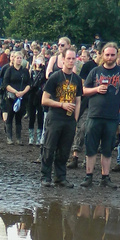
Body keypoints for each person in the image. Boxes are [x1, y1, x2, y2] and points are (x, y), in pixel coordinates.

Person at [81, 42, 120, 189]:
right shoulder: (95, 71)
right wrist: (96, 89)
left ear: (117, 55)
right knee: (91, 147)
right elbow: (83, 90)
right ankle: (88, 176)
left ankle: (105, 177)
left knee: (107, 148)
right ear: (102, 54)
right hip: (94, 115)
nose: (109, 57)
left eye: (112, 55)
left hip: (112, 117)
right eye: (107, 54)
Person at [40, 48, 82, 187]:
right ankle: (46, 176)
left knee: (64, 149)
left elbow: (78, 101)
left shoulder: (76, 79)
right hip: (55, 117)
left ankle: (60, 176)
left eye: (73, 58)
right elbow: (44, 100)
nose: (71, 61)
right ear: (63, 59)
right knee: (49, 147)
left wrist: (75, 121)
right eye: (68, 58)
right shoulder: (55, 77)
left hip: (69, 120)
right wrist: (61, 105)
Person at [0, 50, 31, 145]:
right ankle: (9, 137)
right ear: (13, 59)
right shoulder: (9, 70)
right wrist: (15, 92)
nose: (19, 60)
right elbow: (6, 84)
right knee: (10, 116)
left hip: (22, 97)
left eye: (20, 58)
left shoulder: (25, 71)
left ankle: (18, 137)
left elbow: (29, 84)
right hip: (11, 97)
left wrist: (22, 92)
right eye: (17, 58)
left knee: (19, 117)